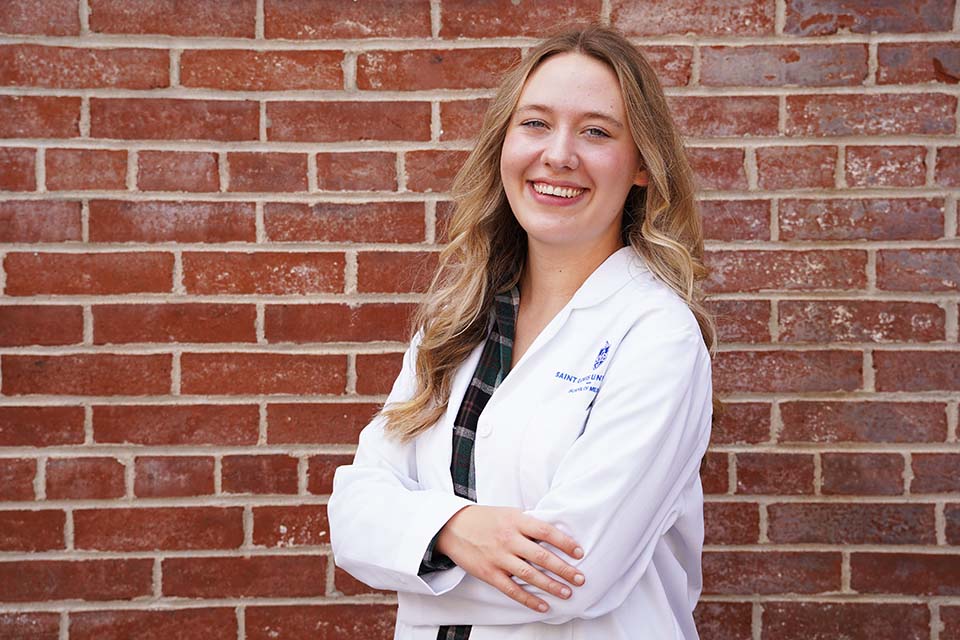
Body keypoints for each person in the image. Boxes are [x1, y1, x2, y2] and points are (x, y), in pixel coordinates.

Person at [328, 24, 718, 640]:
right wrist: (453, 530)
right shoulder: (454, 324)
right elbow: (351, 516)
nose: (559, 154)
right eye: (535, 123)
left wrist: (412, 552)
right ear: (503, 145)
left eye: (596, 131)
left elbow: (566, 576)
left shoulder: (657, 336)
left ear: (643, 164)